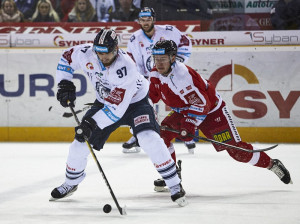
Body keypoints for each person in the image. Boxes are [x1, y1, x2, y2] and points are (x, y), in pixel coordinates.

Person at [50, 28, 187, 207]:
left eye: (107, 53)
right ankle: (70, 182)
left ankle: (175, 185)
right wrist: (64, 82)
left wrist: (91, 123)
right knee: (80, 142)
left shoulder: (127, 67)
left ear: (116, 49)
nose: (102, 57)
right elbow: (66, 58)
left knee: (149, 139)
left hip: (136, 104)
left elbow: (116, 110)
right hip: (104, 102)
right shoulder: (86, 53)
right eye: (99, 53)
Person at [149, 40, 293, 192]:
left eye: (163, 59)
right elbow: (151, 95)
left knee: (237, 152)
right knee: (161, 136)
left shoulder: (182, 78)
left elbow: (202, 104)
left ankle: (271, 164)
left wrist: (189, 124)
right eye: (156, 59)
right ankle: (172, 176)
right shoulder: (155, 72)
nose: (158, 63)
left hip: (212, 112)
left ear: (172, 58)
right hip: (184, 110)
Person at [122, 7, 196, 154]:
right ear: (139, 21)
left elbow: (186, 43)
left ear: (153, 19)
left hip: (172, 75)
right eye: (142, 20)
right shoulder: (134, 38)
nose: (145, 22)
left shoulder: (169, 31)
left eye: (148, 19)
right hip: (150, 78)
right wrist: (142, 79)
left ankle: (187, 136)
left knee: (179, 104)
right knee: (144, 106)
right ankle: (138, 135)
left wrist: (176, 64)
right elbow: (132, 62)